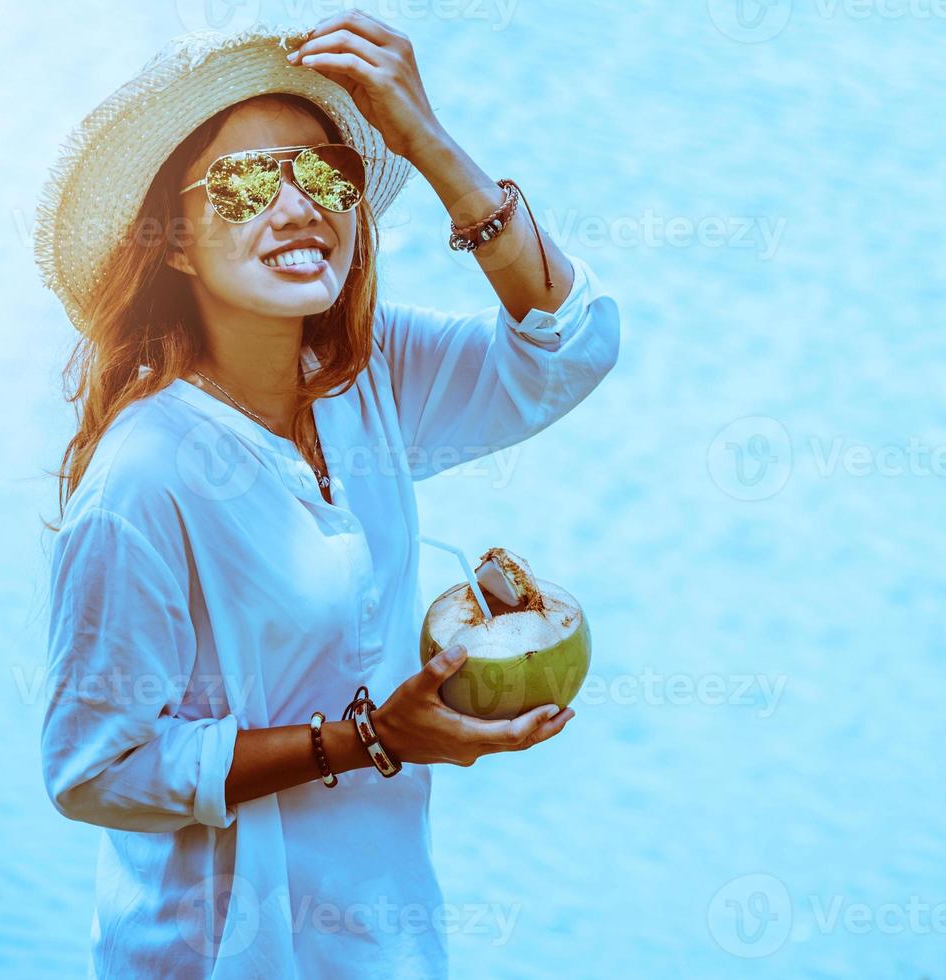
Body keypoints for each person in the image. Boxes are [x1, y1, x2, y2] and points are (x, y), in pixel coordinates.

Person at [33, 14, 619, 978]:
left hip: (388, 941)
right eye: (247, 183)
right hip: (223, 955)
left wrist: (426, 142)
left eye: (328, 175)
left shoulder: (366, 375)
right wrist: (367, 740)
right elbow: (96, 770)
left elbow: (569, 345)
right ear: (174, 245)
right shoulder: (143, 478)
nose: (298, 206)